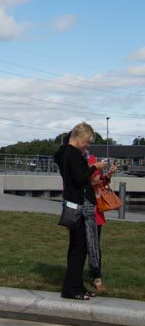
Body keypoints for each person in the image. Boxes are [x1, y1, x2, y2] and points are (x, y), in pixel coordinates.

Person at [54, 122, 106, 300]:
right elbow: (78, 179)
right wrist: (94, 167)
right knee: (78, 248)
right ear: (78, 138)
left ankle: (77, 285)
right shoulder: (73, 154)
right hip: (79, 205)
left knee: (78, 247)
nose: (87, 146)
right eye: (87, 142)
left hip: (74, 204)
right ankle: (71, 288)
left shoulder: (67, 153)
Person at [87, 154, 118, 292]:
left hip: (96, 211)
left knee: (95, 246)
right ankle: (76, 275)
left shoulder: (92, 158)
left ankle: (96, 276)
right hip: (84, 208)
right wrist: (96, 180)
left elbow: (100, 184)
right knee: (80, 247)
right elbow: (83, 181)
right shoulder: (78, 160)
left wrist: (107, 176)